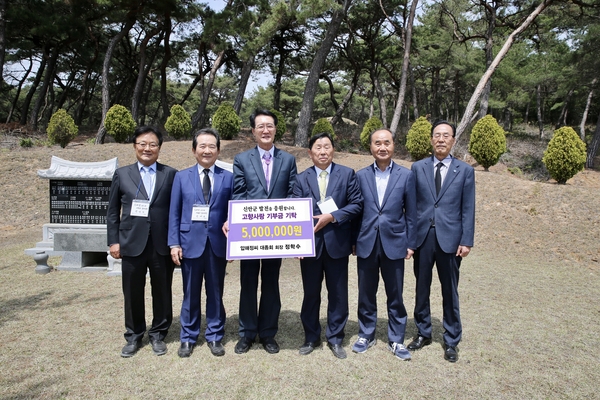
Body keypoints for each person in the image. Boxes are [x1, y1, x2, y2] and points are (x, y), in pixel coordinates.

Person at [229, 109, 297, 355]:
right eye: (260, 126)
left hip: (276, 234)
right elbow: (238, 194)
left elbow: (292, 194)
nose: (265, 130)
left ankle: (268, 333)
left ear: (276, 129)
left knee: (271, 282)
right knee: (248, 282)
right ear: (253, 131)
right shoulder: (241, 159)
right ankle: (247, 333)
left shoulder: (288, 160)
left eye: (270, 125)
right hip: (250, 233)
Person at [408, 120, 475, 363]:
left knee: (450, 291)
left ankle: (451, 339)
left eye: (446, 135)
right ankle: (423, 332)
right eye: (437, 135)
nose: (441, 139)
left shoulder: (465, 171)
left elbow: (468, 208)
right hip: (423, 239)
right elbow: (412, 207)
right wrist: (410, 239)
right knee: (421, 288)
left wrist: (467, 240)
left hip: (451, 240)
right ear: (431, 139)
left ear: (453, 140)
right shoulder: (418, 168)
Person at [107, 126, 177, 358]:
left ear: (159, 148)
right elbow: (112, 211)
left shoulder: (170, 174)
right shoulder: (122, 174)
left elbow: (177, 209)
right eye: (142, 144)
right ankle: (134, 335)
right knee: (132, 292)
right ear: (135, 146)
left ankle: (158, 334)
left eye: (153, 144)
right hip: (131, 242)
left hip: (161, 244)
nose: (147, 148)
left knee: (162, 291)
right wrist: (114, 241)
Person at [292, 132, 362, 359]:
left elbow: (357, 204)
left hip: (337, 245)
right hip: (310, 247)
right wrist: (297, 245)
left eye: (327, 147)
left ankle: (335, 338)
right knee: (311, 294)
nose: (323, 151)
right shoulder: (301, 179)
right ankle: (311, 337)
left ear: (333, 150)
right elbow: (293, 211)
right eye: (318, 147)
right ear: (310, 152)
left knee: (338, 294)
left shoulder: (347, 174)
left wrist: (332, 216)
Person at [351, 129, 417, 361]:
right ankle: (366, 334)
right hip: (366, 243)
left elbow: (412, 213)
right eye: (377, 143)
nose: (382, 147)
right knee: (366, 293)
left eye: (386, 143)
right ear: (370, 147)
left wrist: (411, 243)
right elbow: (355, 212)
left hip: (395, 243)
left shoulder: (406, 176)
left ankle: (397, 339)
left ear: (393, 146)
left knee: (395, 293)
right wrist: (353, 241)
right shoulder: (359, 176)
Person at [168, 128, 233, 358]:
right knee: (190, 292)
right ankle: (188, 337)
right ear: (194, 150)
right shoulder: (181, 177)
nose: (207, 150)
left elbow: (233, 212)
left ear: (218, 150)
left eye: (212, 146)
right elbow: (174, 213)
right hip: (189, 243)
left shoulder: (229, 177)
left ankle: (215, 335)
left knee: (215, 292)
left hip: (217, 244)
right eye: (202, 146)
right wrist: (174, 243)